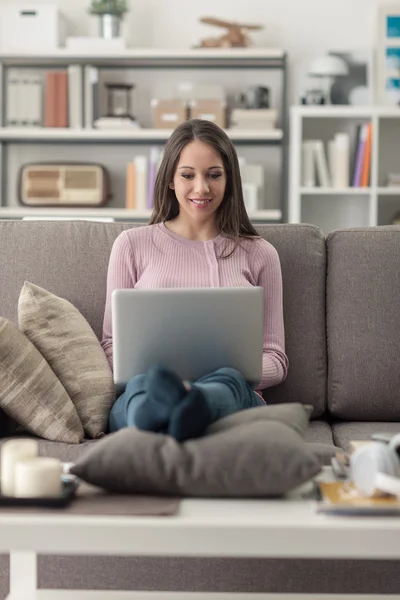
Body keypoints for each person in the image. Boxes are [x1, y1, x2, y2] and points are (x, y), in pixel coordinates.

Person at [101, 118, 288, 442]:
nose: (201, 188)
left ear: (229, 180)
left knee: (230, 379)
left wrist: (213, 380)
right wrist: (162, 380)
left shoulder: (260, 254)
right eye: (188, 175)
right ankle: (166, 409)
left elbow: (275, 359)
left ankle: (190, 406)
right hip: (146, 386)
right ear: (171, 180)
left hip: (229, 395)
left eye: (214, 175)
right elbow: (111, 346)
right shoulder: (131, 245)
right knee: (143, 384)